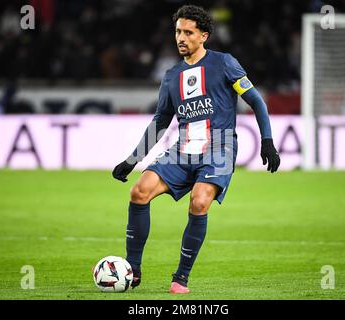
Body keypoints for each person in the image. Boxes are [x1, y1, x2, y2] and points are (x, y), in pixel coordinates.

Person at [112, 5, 280, 294]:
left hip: (219, 146)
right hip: (183, 148)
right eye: (178, 31)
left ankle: (181, 278)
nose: (181, 37)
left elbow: (257, 101)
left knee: (200, 201)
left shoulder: (224, 63)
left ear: (203, 36)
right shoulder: (171, 76)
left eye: (188, 32)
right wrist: (132, 160)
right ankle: (132, 270)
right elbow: (160, 122)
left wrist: (267, 140)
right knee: (139, 191)